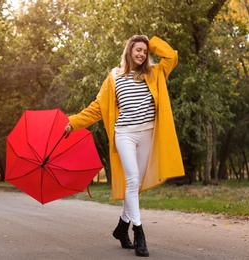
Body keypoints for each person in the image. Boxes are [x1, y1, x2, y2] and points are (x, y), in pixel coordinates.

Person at [64, 35, 185, 257]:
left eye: (145, 51)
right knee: (132, 179)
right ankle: (139, 232)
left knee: (135, 184)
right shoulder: (114, 76)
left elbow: (172, 56)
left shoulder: (155, 72)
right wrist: (73, 123)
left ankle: (122, 226)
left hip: (147, 133)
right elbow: (97, 108)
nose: (141, 54)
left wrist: (151, 42)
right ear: (129, 50)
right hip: (124, 135)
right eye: (138, 49)